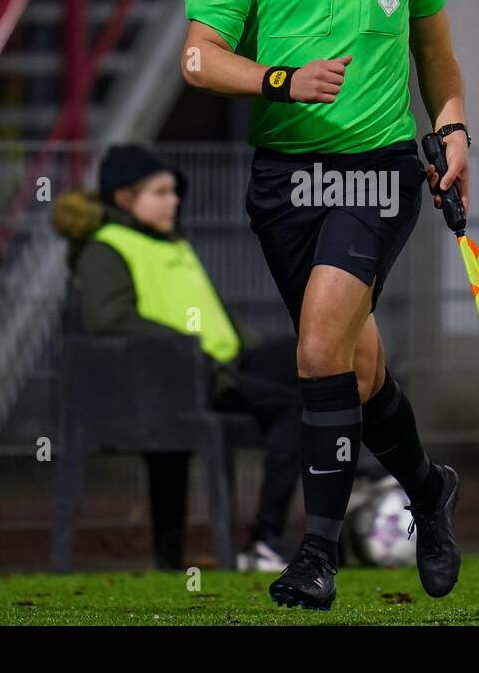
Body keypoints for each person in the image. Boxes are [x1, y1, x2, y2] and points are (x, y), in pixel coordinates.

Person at [180, 0, 471, 609]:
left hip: (379, 174)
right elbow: (197, 59)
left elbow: (439, 61)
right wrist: (281, 79)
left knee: (316, 352)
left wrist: (452, 129)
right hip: (282, 183)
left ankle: (313, 553)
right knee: (359, 366)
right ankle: (428, 491)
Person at [51, 143, 302, 572]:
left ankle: (364, 490)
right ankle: (267, 539)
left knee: (315, 361)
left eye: (174, 191)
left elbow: (211, 313)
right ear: (125, 198)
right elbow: (108, 318)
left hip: (220, 369)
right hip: (174, 386)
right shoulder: (105, 248)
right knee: (294, 409)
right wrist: (190, 351)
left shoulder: (171, 243)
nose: (174, 200)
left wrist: (249, 344)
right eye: (161, 192)